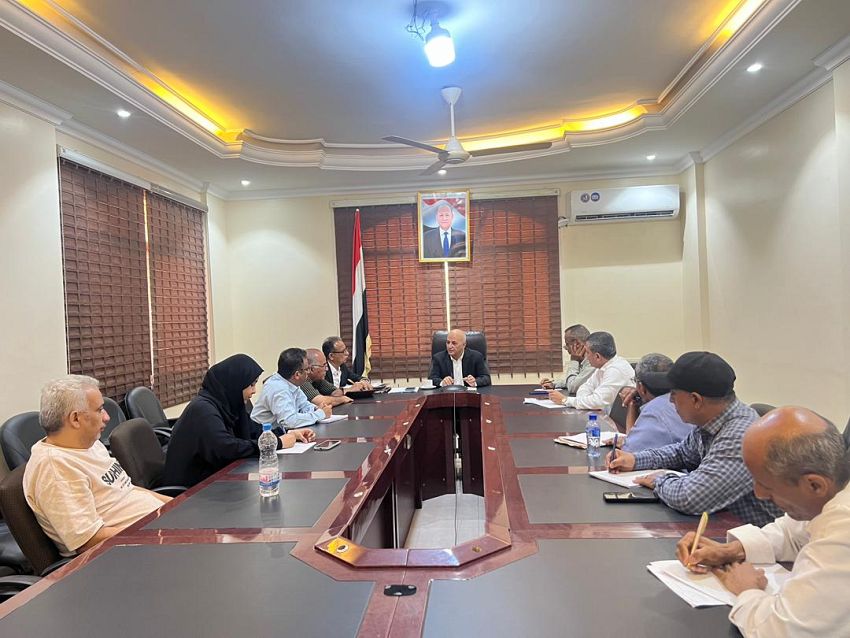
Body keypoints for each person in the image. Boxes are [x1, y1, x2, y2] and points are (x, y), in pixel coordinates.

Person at [675, 407, 850, 636]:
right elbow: (794, 532)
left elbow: (781, 631)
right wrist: (732, 550)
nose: (759, 494)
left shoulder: (844, 527)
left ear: (814, 485)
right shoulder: (832, 493)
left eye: (766, 485)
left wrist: (746, 590)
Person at [607, 351, 783, 526]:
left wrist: (659, 480)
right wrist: (635, 459)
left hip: (756, 536)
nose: (670, 401)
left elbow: (691, 498)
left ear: (696, 400)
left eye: (673, 394)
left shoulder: (740, 436)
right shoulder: (714, 419)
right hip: (725, 523)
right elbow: (682, 453)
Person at [23, 375, 170, 555]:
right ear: (75, 419)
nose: (106, 417)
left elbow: (127, 489)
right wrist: (158, 534)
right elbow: (89, 541)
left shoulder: (90, 444)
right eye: (99, 410)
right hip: (125, 553)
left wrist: (175, 505)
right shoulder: (55, 468)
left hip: (154, 531)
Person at [163, 354, 302, 488]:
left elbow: (254, 430)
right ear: (235, 383)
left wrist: (288, 434)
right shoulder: (203, 410)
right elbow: (226, 448)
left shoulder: (229, 404)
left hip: (219, 479)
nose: (254, 391)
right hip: (194, 489)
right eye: (251, 385)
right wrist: (276, 443)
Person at [618, 353, 694, 452]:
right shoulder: (685, 401)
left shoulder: (655, 411)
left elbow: (630, 450)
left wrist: (632, 405)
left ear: (641, 387)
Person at [548, 331, 634, 410]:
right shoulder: (603, 367)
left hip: (614, 420)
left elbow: (597, 402)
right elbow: (585, 387)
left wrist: (565, 400)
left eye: (587, 352)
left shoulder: (616, 370)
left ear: (597, 357)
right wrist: (585, 401)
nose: (586, 356)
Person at [252, 348, 329, 430]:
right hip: (263, 435)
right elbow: (289, 421)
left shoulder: (291, 382)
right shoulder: (278, 388)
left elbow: (304, 405)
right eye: (307, 369)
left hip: (280, 432)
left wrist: (316, 409)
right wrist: (320, 414)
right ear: (297, 374)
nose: (309, 372)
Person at [540, 324, 594, 395]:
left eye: (567, 345)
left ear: (577, 344)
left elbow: (572, 387)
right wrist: (554, 384)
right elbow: (574, 381)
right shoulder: (583, 361)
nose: (566, 349)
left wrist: (574, 361)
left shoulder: (593, 362)